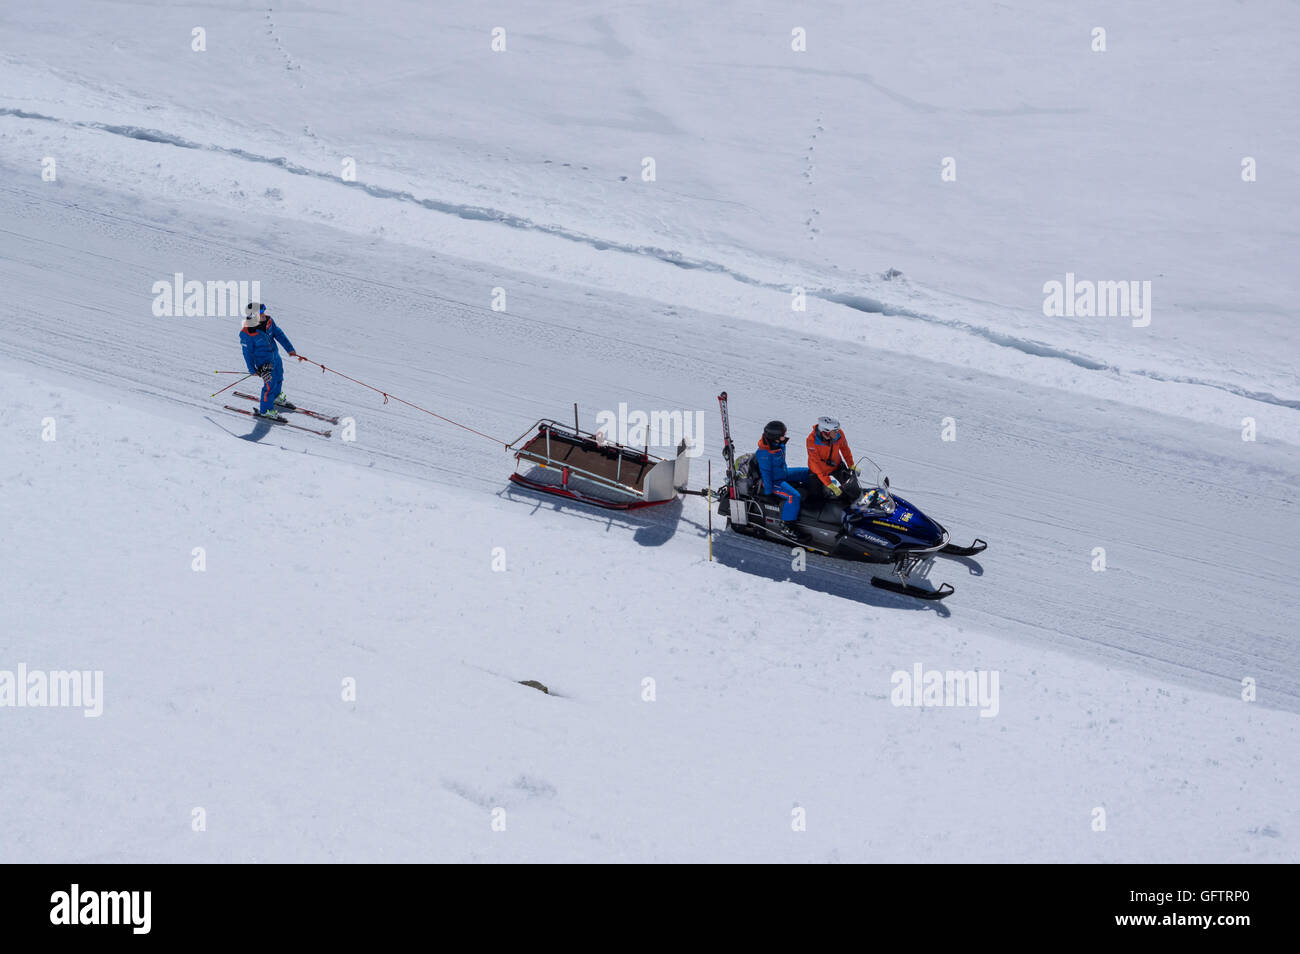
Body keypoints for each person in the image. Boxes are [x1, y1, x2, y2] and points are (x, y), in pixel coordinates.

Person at [240, 303, 298, 419]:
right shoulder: (247, 333)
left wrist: (289, 348)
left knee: (279, 377)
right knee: (269, 385)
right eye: (261, 313)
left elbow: (279, 334)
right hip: (264, 363)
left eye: (263, 312)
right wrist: (252, 369)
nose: (264, 315)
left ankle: (276, 397)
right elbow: (247, 354)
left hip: (275, 357)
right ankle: (265, 410)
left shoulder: (269, 321)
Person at [755, 420, 810, 537]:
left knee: (808, 473)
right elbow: (766, 474)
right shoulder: (764, 453)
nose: (784, 437)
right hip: (774, 481)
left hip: (783, 473)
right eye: (782, 435)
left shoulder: (777, 444)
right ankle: (787, 526)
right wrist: (768, 493)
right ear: (774, 437)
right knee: (793, 496)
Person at [805, 416, 859, 499]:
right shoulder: (811, 440)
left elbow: (845, 449)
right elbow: (815, 463)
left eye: (837, 430)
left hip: (836, 465)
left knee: (852, 488)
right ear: (825, 432)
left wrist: (851, 465)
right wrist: (829, 484)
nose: (837, 433)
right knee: (816, 498)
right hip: (818, 471)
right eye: (834, 431)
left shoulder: (839, 434)